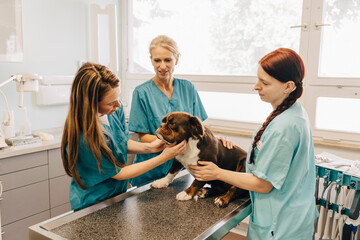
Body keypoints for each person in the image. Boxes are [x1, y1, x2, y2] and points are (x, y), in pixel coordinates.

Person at [188, 48, 318, 239]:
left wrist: (217, 172)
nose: (256, 86)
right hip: (292, 215)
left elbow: (263, 184)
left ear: (288, 86)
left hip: (280, 224)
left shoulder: (285, 127)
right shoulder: (293, 112)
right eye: (258, 79)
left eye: (265, 82)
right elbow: (269, 156)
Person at [61, 62, 186, 211]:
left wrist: (150, 147)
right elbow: (120, 174)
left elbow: (121, 143)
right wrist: (163, 157)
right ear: (91, 103)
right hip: (93, 202)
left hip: (117, 196)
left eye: (118, 98)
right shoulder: (84, 137)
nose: (118, 106)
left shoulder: (114, 112)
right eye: (111, 102)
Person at [128, 35, 209, 186]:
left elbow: (199, 128)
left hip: (182, 168)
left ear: (176, 59)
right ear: (151, 60)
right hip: (151, 169)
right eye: (157, 60)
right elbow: (143, 136)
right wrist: (170, 143)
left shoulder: (188, 88)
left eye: (168, 60)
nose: (162, 66)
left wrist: (218, 141)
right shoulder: (141, 93)